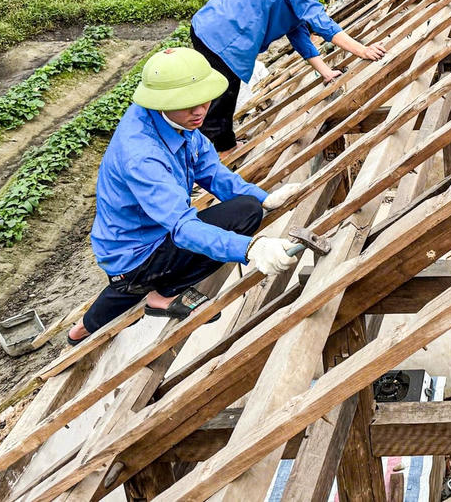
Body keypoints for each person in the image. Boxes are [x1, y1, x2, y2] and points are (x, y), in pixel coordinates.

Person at [68, 48, 302, 344]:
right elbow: (182, 228)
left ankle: (91, 323)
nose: (200, 111)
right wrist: (250, 248)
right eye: (187, 104)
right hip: (136, 253)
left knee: (249, 207)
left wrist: (262, 196)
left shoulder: (176, 121)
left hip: (153, 234)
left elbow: (212, 172)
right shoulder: (142, 156)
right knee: (127, 287)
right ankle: (160, 296)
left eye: (202, 99)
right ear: (162, 102)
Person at [190, 0, 385, 152]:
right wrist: (362, 50)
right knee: (224, 91)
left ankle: (212, 142)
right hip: (221, 31)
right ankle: (219, 148)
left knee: (219, 89)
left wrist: (326, 72)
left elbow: (298, 34)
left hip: (215, 23)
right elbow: (322, 24)